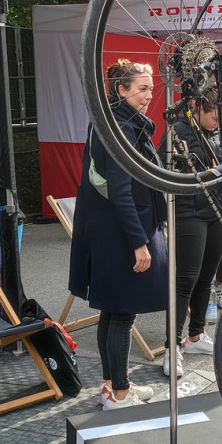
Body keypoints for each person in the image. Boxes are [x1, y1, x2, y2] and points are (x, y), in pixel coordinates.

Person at [68, 59, 167, 410]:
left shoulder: (110, 121)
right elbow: (122, 192)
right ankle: (120, 395)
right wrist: (139, 243)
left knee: (112, 311)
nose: (148, 95)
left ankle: (114, 387)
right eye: (141, 88)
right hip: (122, 234)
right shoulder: (121, 129)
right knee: (122, 315)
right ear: (121, 90)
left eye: (151, 88)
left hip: (109, 233)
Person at [158, 87, 222, 377]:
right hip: (188, 211)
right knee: (185, 280)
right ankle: (172, 347)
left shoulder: (217, 131)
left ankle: (196, 335)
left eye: (221, 117)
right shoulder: (177, 130)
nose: (218, 122)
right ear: (197, 108)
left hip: (215, 210)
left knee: (206, 277)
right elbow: (161, 170)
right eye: (214, 117)